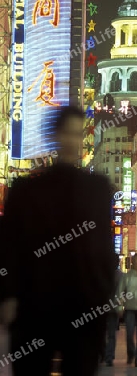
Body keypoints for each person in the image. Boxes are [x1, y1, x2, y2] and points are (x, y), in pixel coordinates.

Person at [0, 106, 116, 376]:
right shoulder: (25, 191)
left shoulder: (96, 188)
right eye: (68, 133)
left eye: (78, 134)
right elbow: (9, 248)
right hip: (36, 306)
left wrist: (103, 296)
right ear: (55, 136)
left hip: (82, 306)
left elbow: (103, 248)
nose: (73, 141)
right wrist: (8, 295)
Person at [105, 253, 123, 366]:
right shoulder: (120, 275)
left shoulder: (103, 272)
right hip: (113, 307)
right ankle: (109, 355)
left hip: (104, 308)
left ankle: (107, 354)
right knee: (111, 334)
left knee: (105, 333)